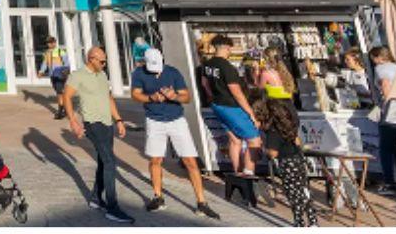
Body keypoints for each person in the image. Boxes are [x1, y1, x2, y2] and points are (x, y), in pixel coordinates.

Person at [130, 48, 220, 219]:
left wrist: (174, 96)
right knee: (155, 159)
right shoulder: (139, 73)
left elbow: (187, 97)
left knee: (190, 161)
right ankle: (158, 197)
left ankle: (202, 202)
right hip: (154, 119)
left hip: (176, 120)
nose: (156, 70)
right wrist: (151, 98)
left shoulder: (173, 72)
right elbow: (135, 94)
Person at [63, 46, 134, 224]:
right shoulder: (78, 75)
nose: (104, 64)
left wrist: (118, 120)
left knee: (104, 160)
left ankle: (96, 198)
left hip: (107, 123)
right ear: (91, 59)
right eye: (101, 61)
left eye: (105, 61)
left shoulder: (102, 75)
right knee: (110, 161)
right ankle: (112, 207)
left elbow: (108, 98)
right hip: (92, 123)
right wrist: (73, 121)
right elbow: (66, 97)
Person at [202, 34, 262, 176]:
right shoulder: (227, 67)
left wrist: (212, 97)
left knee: (235, 141)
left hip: (217, 105)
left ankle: (238, 173)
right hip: (231, 106)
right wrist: (250, 113)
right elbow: (236, 92)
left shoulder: (207, 65)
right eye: (229, 50)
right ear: (226, 48)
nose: (229, 53)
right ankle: (248, 174)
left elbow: (204, 84)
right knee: (254, 141)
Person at [253, 95, 317, 227]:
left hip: (287, 164)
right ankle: (313, 221)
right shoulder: (286, 126)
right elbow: (298, 142)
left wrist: (264, 149)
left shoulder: (272, 132)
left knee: (294, 195)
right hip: (298, 160)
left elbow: (273, 153)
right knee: (304, 191)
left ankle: (299, 222)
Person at [369, 45, 396, 194]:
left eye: (373, 58)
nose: (373, 62)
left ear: (379, 57)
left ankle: (389, 183)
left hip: (390, 111)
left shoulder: (381, 69)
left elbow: (386, 87)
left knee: (385, 149)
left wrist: (384, 106)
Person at [40, 36, 70, 120]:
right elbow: (45, 63)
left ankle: (60, 112)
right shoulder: (47, 53)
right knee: (59, 92)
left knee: (60, 92)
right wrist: (41, 71)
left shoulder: (61, 51)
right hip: (52, 75)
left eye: (51, 42)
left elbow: (67, 64)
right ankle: (65, 108)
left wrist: (65, 73)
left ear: (54, 43)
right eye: (48, 43)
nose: (49, 44)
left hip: (60, 75)